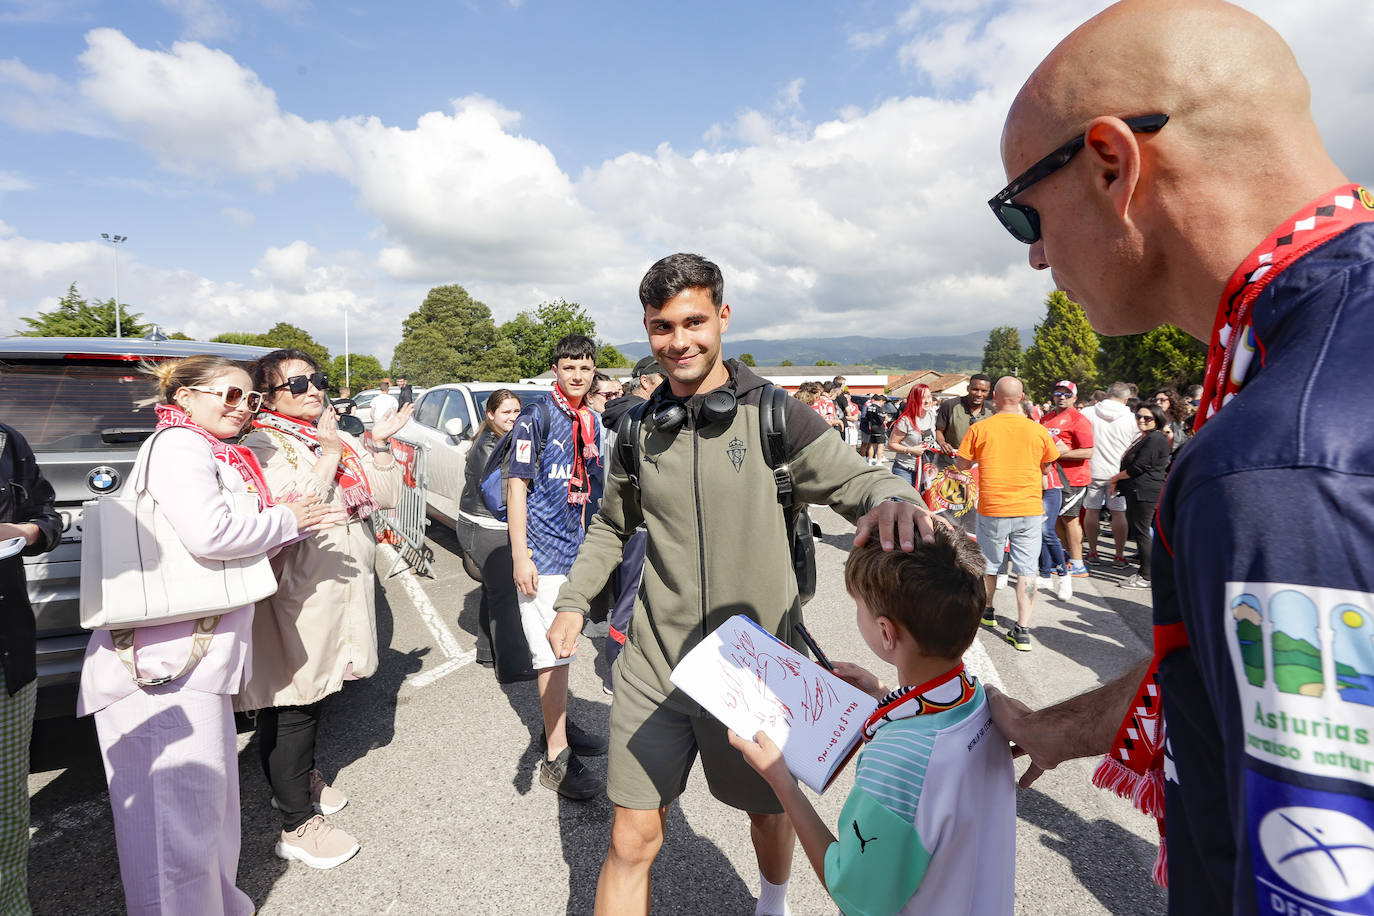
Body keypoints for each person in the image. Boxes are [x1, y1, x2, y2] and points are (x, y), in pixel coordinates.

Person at [984, 1, 1374, 910]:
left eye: (1024, 214)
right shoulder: (1315, 359)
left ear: (1113, 164)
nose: (1037, 256)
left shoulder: (1278, 462)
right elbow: (1229, 670)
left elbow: (1322, 880)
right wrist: (1059, 723)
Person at [547, 253, 921, 916]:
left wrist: (895, 497)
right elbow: (610, 526)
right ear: (647, 329)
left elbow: (856, 481)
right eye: (662, 327)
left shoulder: (777, 417)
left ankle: (771, 904)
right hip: (654, 667)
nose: (679, 340)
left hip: (756, 672)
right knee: (632, 837)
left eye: (694, 320)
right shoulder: (635, 429)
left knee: (769, 818)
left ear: (722, 317)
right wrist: (575, 600)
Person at [77, 356, 331, 914]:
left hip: (188, 657)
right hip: (162, 665)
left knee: (203, 815)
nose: (242, 407)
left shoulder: (202, 447)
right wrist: (287, 517)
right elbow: (211, 532)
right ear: (186, 396)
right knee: (174, 830)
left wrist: (288, 522)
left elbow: (230, 549)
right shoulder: (180, 447)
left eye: (249, 399)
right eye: (229, 395)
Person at [729, 533, 1014, 916]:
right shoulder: (978, 699)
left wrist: (780, 778)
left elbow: (854, 893)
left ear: (885, 631)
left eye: (859, 606)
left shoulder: (897, 761)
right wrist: (883, 695)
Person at [240, 349, 411, 869]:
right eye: (297, 384)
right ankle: (296, 824)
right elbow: (294, 507)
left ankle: (295, 783)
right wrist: (332, 452)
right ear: (265, 398)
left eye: (317, 380)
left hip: (332, 585)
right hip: (297, 589)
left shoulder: (323, 433)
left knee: (300, 699)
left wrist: (377, 445)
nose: (313, 390)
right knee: (294, 700)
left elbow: (383, 496)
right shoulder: (260, 442)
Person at [507, 333, 608, 800]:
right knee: (551, 654)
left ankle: (562, 728)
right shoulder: (536, 417)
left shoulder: (588, 418)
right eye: (569, 367)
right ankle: (555, 756)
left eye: (585, 369)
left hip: (575, 551)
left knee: (565, 650)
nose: (577, 375)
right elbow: (517, 488)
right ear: (556, 369)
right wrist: (520, 554)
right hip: (542, 555)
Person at [0, 421, 60, 913]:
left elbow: (45, 512)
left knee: (7, 813)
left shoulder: (7, 441)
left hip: (9, 654)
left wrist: (25, 530)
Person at [955, 377, 1061, 651]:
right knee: (1026, 568)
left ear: (994, 397)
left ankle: (987, 611)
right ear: (1022, 396)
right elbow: (1048, 468)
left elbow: (962, 464)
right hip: (1028, 507)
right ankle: (1022, 630)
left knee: (990, 562)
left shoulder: (981, 427)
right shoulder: (1038, 430)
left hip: (993, 506)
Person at [595, 358, 665, 696]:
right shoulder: (636, 417)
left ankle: (626, 665)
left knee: (629, 598)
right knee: (630, 601)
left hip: (627, 522)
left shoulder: (620, 413)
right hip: (638, 526)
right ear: (649, 383)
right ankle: (616, 673)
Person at [459, 389, 535, 682]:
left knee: (494, 591)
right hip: (486, 528)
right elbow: (504, 498)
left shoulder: (497, 439)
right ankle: (514, 666)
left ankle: (487, 651)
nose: (513, 418)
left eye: (517, 411)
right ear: (490, 414)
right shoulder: (492, 445)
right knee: (506, 597)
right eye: (506, 412)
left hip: (476, 525)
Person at [1107, 403, 1171, 590]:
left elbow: (1139, 467)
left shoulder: (1156, 438)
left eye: (1147, 418)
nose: (1141, 420)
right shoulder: (1146, 437)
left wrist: (1115, 478)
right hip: (1138, 489)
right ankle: (1146, 573)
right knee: (1141, 531)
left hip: (1145, 490)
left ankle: (1146, 576)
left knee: (1142, 532)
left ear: (1157, 420)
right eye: (1138, 416)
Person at [1040, 380, 1095, 580]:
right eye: (1058, 393)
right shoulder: (1045, 419)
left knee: (1070, 519)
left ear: (1075, 398)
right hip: (1051, 478)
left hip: (1074, 479)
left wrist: (1056, 454)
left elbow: (1088, 452)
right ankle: (1066, 555)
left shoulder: (1079, 420)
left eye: (1067, 394)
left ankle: (1078, 563)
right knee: (1053, 520)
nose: (1062, 397)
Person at [1081, 382, 1137, 568]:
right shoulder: (1132, 419)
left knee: (1092, 510)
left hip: (1093, 469)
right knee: (1119, 513)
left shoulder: (1088, 413)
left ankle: (1093, 552)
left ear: (1106, 394)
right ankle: (1119, 556)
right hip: (1118, 473)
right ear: (1127, 398)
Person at [934, 374, 993, 467]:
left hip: (979, 465)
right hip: (950, 463)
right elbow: (939, 430)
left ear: (989, 392)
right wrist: (942, 443)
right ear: (968, 388)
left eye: (984, 391)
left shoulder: (992, 412)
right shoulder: (950, 406)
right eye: (975, 389)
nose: (979, 394)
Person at [887, 383, 937, 491]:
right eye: (923, 398)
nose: (927, 401)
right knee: (905, 505)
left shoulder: (931, 416)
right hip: (906, 470)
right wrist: (909, 449)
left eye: (929, 397)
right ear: (915, 400)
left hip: (926, 470)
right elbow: (891, 444)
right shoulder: (906, 420)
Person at [862, 394, 890, 465]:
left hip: (872, 427)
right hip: (879, 428)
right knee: (881, 445)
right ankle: (879, 461)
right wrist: (885, 419)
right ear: (880, 401)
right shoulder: (879, 408)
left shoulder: (869, 407)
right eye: (883, 403)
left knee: (871, 445)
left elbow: (867, 417)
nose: (883, 404)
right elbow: (881, 419)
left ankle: (870, 460)